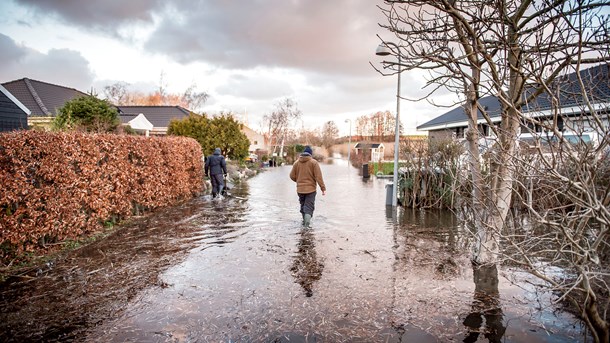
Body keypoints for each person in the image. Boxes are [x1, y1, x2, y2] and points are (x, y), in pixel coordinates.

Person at [290, 146, 326, 227]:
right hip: (311, 190)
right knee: (309, 207)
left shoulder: (296, 163)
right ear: (310, 154)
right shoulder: (314, 163)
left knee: (303, 206)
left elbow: (292, 176)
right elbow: (318, 177)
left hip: (300, 190)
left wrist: (299, 181)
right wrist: (323, 188)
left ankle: (304, 224)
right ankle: (306, 227)